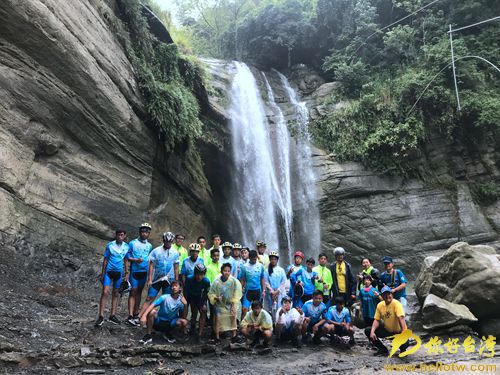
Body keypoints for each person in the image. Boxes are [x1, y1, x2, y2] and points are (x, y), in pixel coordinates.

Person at [138, 232, 179, 317]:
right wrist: (149, 279)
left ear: (172, 242)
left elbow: (176, 267)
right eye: (166, 241)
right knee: (149, 298)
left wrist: (176, 281)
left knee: (166, 299)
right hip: (156, 278)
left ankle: (161, 319)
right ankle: (139, 317)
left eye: (169, 242)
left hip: (169, 279)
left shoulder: (175, 252)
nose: (167, 243)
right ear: (163, 240)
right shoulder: (156, 251)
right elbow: (151, 265)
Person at [95, 230, 129, 327]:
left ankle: (112, 315)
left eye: (122, 235)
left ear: (124, 236)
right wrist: (102, 273)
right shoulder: (110, 245)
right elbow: (105, 259)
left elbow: (126, 260)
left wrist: (127, 273)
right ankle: (101, 316)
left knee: (115, 293)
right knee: (105, 292)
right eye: (118, 235)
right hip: (108, 272)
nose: (120, 237)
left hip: (118, 272)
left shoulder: (126, 247)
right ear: (116, 235)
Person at [139, 280, 188, 345]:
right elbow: (153, 305)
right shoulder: (165, 297)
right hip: (158, 322)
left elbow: (183, 317)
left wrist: (185, 305)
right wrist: (144, 316)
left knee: (184, 322)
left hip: (170, 324)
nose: (174, 287)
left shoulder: (181, 301)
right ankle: (148, 335)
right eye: (172, 286)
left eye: (176, 286)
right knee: (152, 312)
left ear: (180, 289)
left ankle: (169, 333)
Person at [365, 286, 409, 356]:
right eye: (384, 295)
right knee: (368, 330)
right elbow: (376, 320)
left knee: (405, 343)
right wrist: (372, 332)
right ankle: (383, 350)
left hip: (399, 332)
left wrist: (403, 332)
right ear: (382, 296)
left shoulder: (396, 304)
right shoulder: (380, 305)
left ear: (392, 294)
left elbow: (401, 318)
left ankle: (403, 350)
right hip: (387, 331)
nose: (387, 296)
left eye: (389, 294)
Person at [208, 263, 243, 344]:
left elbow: (236, 292)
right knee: (217, 318)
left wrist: (233, 304)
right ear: (221, 271)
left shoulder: (234, 281)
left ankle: (234, 336)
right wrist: (216, 298)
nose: (226, 273)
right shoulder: (216, 282)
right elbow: (211, 293)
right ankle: (217, 337)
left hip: (230, 303)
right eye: (225, 271)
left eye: (228, 271)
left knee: (233, 316)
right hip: (219, 304)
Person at [126, 223, 153, 325]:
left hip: (144, 272)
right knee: (133, 291)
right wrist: (135, 260)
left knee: (139, 292)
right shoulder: (133, 243)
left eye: (146, 232)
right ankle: (130, 315)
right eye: (143, 231)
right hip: (134, 271)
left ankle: (136, 313)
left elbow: (150, 258)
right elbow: (127, 256)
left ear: (149, 233)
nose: (144, 233)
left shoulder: (149, 245)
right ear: (140, 232)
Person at [184, 264, 210, 340]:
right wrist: (186, 303)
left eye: (201, 275)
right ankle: (185, 329)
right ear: (194, 273)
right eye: (197, 274)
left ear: (204, 275)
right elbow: (185, 291)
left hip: (199, 297)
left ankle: (200, 334)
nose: (199, 277)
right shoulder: (189, 279)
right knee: (185, 310)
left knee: (204, 311)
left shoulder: (206, 281)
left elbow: (205, 293)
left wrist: (203, 304)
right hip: (189, 296)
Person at [239, 250, 266, 319]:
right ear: (249, 258)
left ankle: (258, 325)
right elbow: (242, 279)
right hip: (248, 291)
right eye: (252, 259)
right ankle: (243, 325)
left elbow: (262, 278)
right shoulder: (244, 266)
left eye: (255, 259)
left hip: (258, 290)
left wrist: (263, 290)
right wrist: (240, 290)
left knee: (258, 310)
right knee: (244, 309)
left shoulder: (260, 266)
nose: (254, 260)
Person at [264, 252, 287, 318]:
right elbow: (266, 282)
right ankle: (272, 324)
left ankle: (279, 323)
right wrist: (272, 291)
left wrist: (277, 291)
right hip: (270, 294)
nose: (273, 261)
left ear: (277, 260)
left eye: (274, 259)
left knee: (280, 308)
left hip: (280, 294)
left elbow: (283, 281)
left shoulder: (281, 270)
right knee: (270, 309)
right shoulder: (266, 270)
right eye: (271, 259)